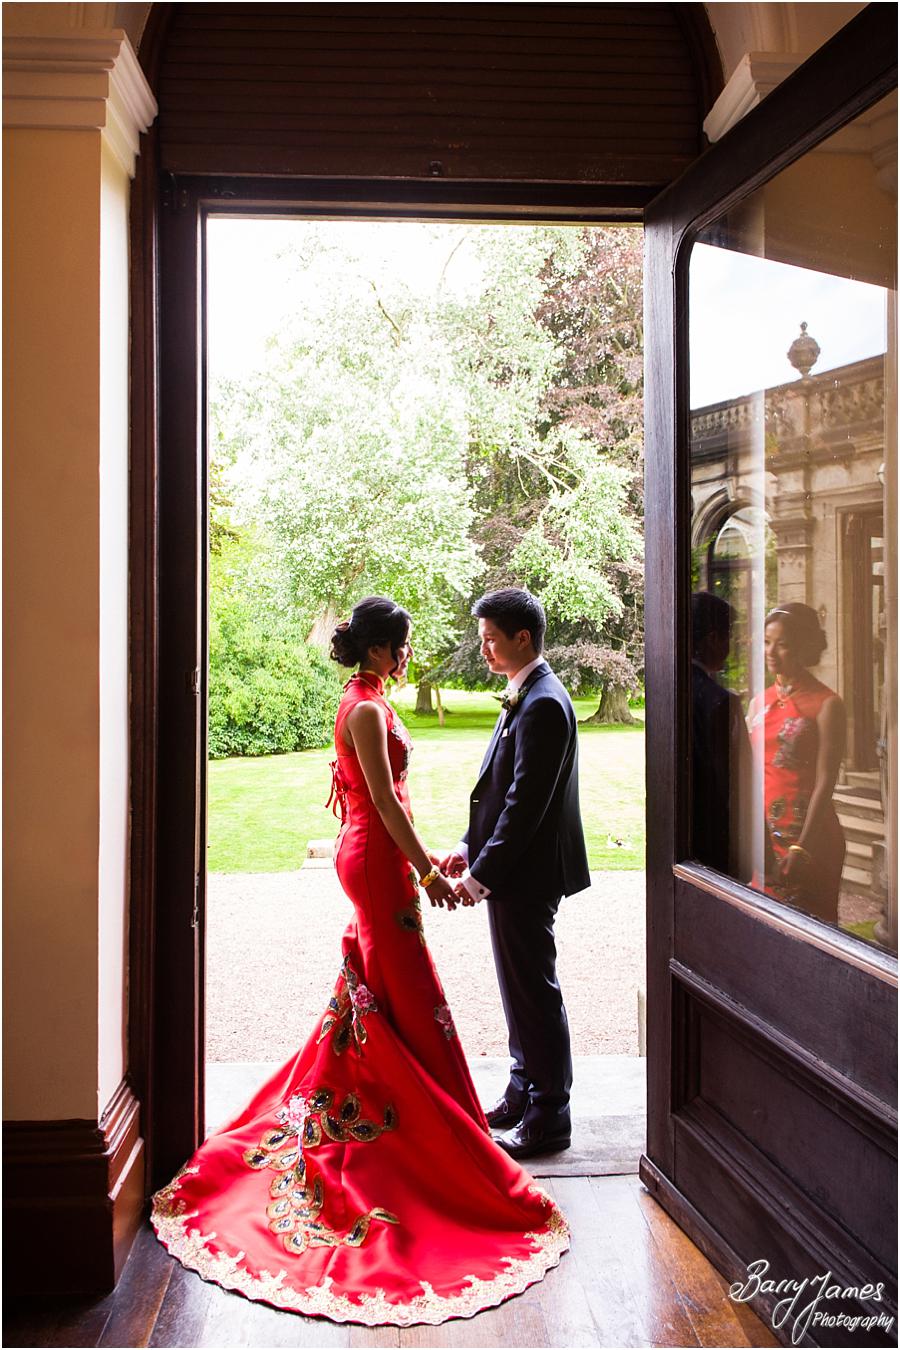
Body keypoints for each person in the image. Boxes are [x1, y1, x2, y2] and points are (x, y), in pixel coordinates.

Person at [150, 596, 569, 1326]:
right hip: (376, 860)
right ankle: (428, 1134)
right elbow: (385, 801)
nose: (409, 657)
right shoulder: (369, 709)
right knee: (411, 991)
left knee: (383, 992)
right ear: (381, 650)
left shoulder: (364, 697)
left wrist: (437, 857)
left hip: (375, 855)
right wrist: (429, 872)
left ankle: (393, 1105)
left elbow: (390, 798)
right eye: (403, 647)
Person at [442, 588, 590, 1161]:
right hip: (515, 870)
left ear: (522, 638)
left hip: (528, 875)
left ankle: (550, 1115)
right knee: (519, 988)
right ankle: (523, 1090)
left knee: (534, 992)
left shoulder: (544, 702)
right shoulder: (526, 692)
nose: (483, 649)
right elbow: (499, 787)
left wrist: (479, 877)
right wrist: (467, 846)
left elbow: (526, 805)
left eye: (490, 639)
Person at [747, 602, 846, 924]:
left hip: (810, 837)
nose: (771, 652)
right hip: (765, 839)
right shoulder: (758, 704)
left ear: (803, 646)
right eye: (767, 642)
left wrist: (802, 847)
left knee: (809, 931)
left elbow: (826, 781)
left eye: (783, 644)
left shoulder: (828, 704)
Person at [691, 591, 753, 881]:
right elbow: (739, 787)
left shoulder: (668, 691)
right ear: (713, 639)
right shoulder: (720, 703)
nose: (734, 644)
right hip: (716, 853)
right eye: (730, 636)